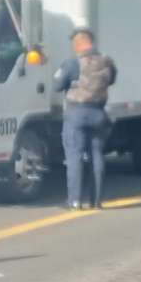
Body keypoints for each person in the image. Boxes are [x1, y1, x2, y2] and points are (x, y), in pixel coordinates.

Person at [54, 28, 117, 210]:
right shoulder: (107, 61)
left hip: (76, 114)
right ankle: (96, 201)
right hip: (98, 113)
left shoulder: (73, 63)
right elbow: (111, 80)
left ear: (80, 43)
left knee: (74, 157)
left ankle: (74, 201)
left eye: (74, 44)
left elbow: (58, 85)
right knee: (97, 156)